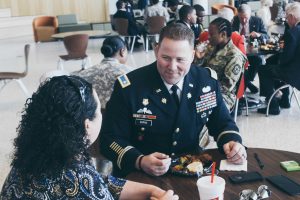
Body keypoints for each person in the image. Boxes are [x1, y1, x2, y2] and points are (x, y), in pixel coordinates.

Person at [99, 23, 247, 177]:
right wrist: (139, 160)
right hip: (141, 174)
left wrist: (232, 141)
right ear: (156, 51)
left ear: (192, 55)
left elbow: (222, 123)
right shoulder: (130, 86)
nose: (172, 67)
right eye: (165, 58)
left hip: (190, 169)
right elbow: (110, 139)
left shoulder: (205, 81)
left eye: (180, 59)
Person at [0, 75, 178, 200]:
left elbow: (100, 182)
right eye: (98, 110)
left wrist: (151, 190)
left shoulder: (33, 158)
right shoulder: (76, 178)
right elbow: (90, 186)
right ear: (87, 125)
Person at [195, 17, 247, 111]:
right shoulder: (210, 48)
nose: (208, 37)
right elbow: (197, 71)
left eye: (211, 34)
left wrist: (202, 89)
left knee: (193, 107)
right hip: (204, 89)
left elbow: (226, 87)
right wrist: (199, 59)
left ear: (223, 34)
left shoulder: (235, 56)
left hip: (222, 97)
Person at [257, 2, 300, 115]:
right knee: (271, 62)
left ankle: (273, 106)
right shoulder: (296, 30)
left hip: (294, 73)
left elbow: (286, 58)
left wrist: (279, 60)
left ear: (292, 17)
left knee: (263, 69)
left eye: (287, 16)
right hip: (297, 69)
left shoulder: (293, 33)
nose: (285, 18)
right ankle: (285, 100)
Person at [72, 36, 133, 109]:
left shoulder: (83, 74)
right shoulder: (130, 73)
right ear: (122, 51)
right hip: (119, 116)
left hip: (91, 117)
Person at [232, 4, 269, 94]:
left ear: (250, 14)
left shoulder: (258, 20)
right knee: (236, 64)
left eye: (246, 18)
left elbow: (267, 36)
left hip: (253, 51)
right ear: (238, 15)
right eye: (241, 18)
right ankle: (245, 85)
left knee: (258, 61)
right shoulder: (235, 20)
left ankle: (246, 83)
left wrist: (258, 35)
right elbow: (230, 35)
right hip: (238, 51)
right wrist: (234, 34)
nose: (244, 21)